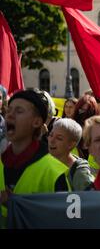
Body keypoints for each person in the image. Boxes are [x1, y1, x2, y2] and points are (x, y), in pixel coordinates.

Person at [1, 89, 69, 224]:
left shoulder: (55, 172)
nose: (9, 116)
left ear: (37, 122)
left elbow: (72, 218)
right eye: (9, 110)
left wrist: (19, 208)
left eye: (19, 111)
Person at [48, 118, 94, 191]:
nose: (51, 140)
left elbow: (89, 199)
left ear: (71, 144)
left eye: (59, 138)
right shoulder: (41, 160)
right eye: (51, 135)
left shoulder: (79, 173)